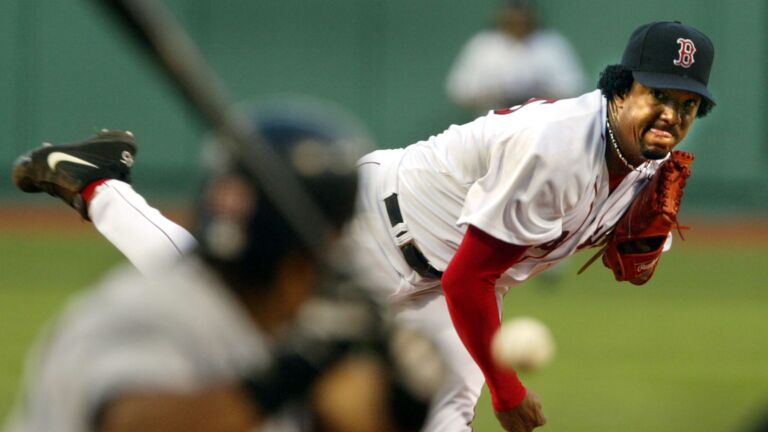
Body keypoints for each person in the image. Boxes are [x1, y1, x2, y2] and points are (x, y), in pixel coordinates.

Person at [10, 20, 716, 432]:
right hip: (376, 233)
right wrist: (508, 388)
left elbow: (482, 272)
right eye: (659, 96)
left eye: (687, 106)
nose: (671, 116)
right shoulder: (559, 145)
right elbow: (474, 274)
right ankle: (94, 180)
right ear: (621, 88)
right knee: (212, 294)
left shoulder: (645, 157)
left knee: (445, 408)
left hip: (446, 274)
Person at [5, 101, 443, 432]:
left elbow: (350, 411)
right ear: (300, 256)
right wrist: (296, 369)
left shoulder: (271, 323)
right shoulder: (144, 313)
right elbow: (134, 423)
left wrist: (399, 400)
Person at [446, 0, 586, 115]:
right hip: (493, 127)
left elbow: (574, 88)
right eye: (512, 13)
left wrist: (536, 95)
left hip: (542, 125)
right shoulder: (483, 45)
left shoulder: (552, 44)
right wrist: (496, 95)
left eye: (522, 14)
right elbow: (459, 90)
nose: (518, 19)